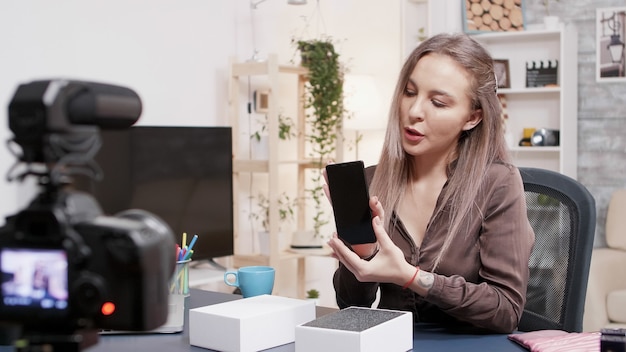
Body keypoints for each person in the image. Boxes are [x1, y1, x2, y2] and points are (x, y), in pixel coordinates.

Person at [326, 33, 535, 334]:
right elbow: (350, 304)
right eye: (410, 92)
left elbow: (505, 311)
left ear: (472, 117)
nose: (414, 112)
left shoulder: (497, 183)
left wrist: (411, 277)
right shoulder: (372, 181)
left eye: (438, 102)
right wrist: (362, 248)